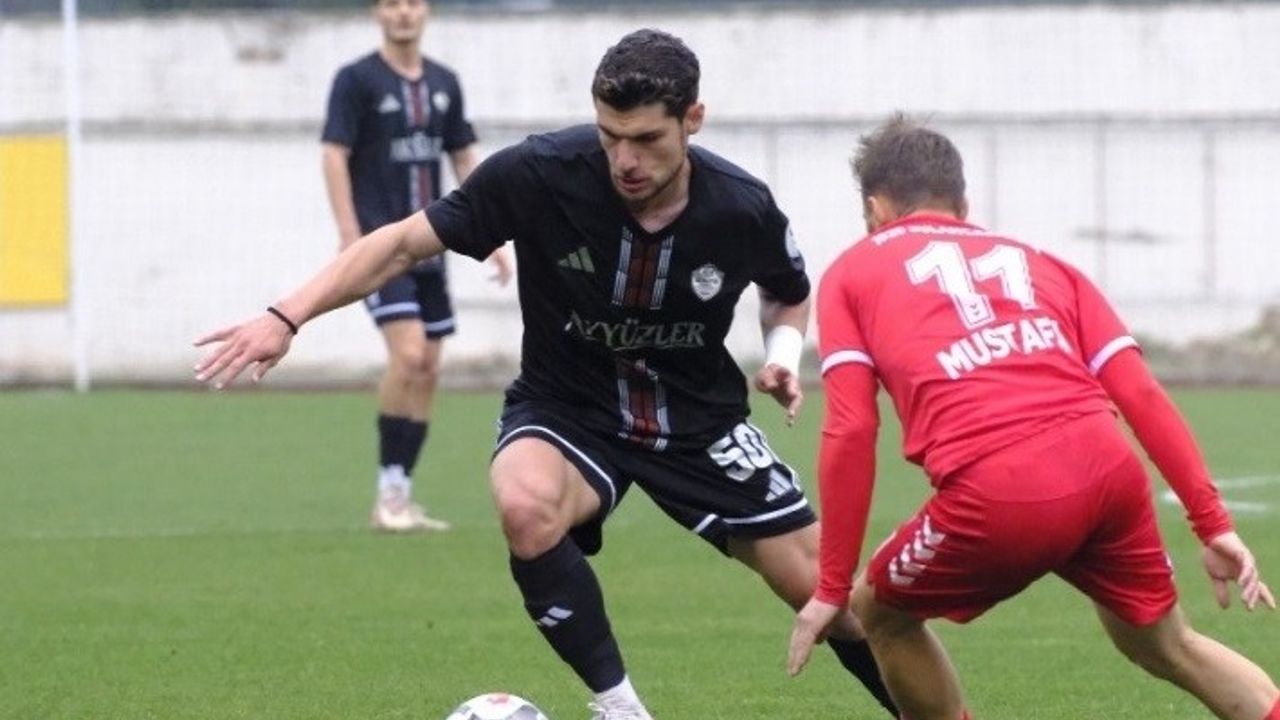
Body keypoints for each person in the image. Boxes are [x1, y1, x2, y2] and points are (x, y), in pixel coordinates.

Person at [195, 28, 898, 720]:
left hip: (696, 420)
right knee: (525, 505)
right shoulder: (538, 174)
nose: (625, 159)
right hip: (569, 407)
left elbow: (787, 291)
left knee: (831, 597)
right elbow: (402, 244)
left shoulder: (741, 205)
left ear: (693, 119)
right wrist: (285, 316)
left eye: (646, 139)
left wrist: (781, 357)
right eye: (609, 136)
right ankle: (621, 709)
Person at [786, 115, 1280, 720]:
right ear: (963, 204)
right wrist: (1213, 524)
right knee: (1166, 643)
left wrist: (832, 586)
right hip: (1108, 473)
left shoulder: (851, 271)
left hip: (1003, 492)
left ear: (875, 209)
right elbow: (1140, 393)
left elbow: (853, 428)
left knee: (879, 613)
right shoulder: (1046, 262)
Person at [321, 0, 512, 533]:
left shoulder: (444, 83)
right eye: (392, 3)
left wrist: (492, 229)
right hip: (380, 248)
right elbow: (334, 154)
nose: (402, 13)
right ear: (377, 13)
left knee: (428, 367)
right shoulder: (356, 80)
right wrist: (348, 233)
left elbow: (463, 156)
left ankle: (399, 495)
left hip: (431, 246)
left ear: (425, 11)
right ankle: (387, 495)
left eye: (412, 3)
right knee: (407, 355)